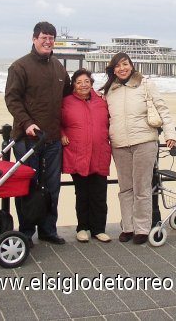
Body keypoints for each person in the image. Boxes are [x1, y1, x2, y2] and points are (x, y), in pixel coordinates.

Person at [5, 21, 72, 246]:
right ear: (34, 39)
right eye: (43, 37)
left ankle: (48, 230)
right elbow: (12, 99)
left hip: (52, 140)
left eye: (51, 38)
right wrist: (26, 123)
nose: (48, 41)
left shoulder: (58, 67)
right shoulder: (19, 67)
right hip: (27, 139)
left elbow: (70, 95)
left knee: (52, 186)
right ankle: (25, 232)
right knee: (27, 186)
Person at [101, 52, 176, 245]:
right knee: (125, 188)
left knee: (142, 188)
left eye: (125, 64)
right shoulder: (111, 89)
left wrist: (170, 135)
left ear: (131, 65)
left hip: (144, 142)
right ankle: (128, 227)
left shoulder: (146, 84)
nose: (122, 68)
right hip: (118, 145)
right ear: (113, 69)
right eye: (117, 66)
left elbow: (163, 110)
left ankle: (142, 229)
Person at [61, 68, 112, 243]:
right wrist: (61, 134)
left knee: (99, 193)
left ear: (91, 84)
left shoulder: (101, 100)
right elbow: (56, 122)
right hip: (78, 154)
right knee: (82, 193)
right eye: (79, 82)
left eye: (86, 82)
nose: (83, 85)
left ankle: (99, 229)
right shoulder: (66, 102)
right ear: (73, 85)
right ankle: (82, 228)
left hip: (99, 154)